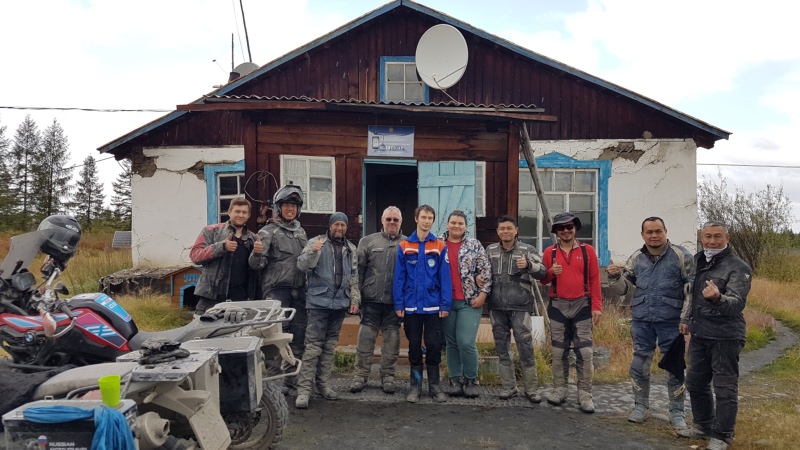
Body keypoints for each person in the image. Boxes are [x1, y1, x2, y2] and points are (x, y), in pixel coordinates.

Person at [606, 217, 695, 429]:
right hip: (642, 320)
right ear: (642, 235)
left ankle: (677, 411)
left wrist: (686, 319)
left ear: (666, 231)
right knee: (639, 364)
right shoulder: (636, 258)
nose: (654, 236)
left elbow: (691, 290)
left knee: (674, 367)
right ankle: (640, 406)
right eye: (649, 232)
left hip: (672, 321)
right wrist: (615, 277)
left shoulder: (681, 256)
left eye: (658, 231)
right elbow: (625, 289)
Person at [677, 221, 752, 450]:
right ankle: (702, 425)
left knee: (724, 387)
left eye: (717, 236)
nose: (712, 241)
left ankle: (722, 435)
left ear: (727, 238)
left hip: (726, 336)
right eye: (708, 236)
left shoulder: (738, 267)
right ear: (702, 236)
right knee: (695, 382)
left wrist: (718, 298)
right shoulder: (698, 261)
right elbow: (691, 295)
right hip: (701, 334)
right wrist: (686, 319)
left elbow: (736, 304)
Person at [294, 212, 360, 409]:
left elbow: (354, 276)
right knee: (313, 347)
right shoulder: (317, 243)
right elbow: (301, 265)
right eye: (336, 224)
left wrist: (354, 299)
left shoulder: (351, 249)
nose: (339, 228)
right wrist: (313, 252)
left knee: (329, 347)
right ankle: (304, 390)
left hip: (340, 304)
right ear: (330, 226)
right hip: (317, 303)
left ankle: (323, 385)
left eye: (343, 225)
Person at [540, 212, 602, 413]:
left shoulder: (588, 251)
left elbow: (595, 280)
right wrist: (551, 272)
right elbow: (543, 280)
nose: (566, 231)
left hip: (582, 305)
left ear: (575, 228)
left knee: (585, 352)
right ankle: (560, 390)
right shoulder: (550, 252)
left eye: (569, 227)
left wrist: (597, 307)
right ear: (556, 231)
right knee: (559, 352)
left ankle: (585, 394)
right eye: (561, 228)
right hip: (557, 306)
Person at [249, 184, 308, 393]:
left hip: (299, 292)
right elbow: (256, 266)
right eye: (286, 205)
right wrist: (256, 254)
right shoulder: (268, 232)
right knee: (275, 339)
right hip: (276, 293)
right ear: (279, 207)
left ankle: (292, 380)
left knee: (298, 337)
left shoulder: (301, 233)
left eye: (294, 206)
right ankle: (274, 383)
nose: (290, 209)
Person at [393, 204, 452, 403]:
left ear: (433, 221)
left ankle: (435, 387)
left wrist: (445, 305)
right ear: (416, 219)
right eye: (424, 217)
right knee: (415, 346)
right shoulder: (404, 246)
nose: (427, 221)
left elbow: (445, 277)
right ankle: (415, 386)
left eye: (430, 218)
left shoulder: (439, 245)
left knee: (435, 345)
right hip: (411, 307)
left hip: (434, 307)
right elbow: (399, 277)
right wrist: (399, 304)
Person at [485, 215, 547, 402]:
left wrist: (529, 265)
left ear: (516, 230)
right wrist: (480, 278)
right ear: (497, 231)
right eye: (502, 228)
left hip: (521, 308)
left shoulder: (527, 250)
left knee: (526, 348)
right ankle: (508, 387)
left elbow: (543, 271)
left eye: (509, 228)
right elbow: (482, 272)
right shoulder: (490, 250)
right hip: (496, 308)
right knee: (502, 349)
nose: (505, 231)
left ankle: (532, 390)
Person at [349, 206, 406, 395]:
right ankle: (360, 376)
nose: (391, 223)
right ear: (382, 220)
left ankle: (388, 376)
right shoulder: (367, 242)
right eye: (388, 219)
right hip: (371, 301)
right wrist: (357, 299)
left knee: (392, 342)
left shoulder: (407, 245)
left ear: (401, 222)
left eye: (395, 220)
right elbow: (357, 272)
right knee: (365, 341)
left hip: (394, 304)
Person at [441, 210, 492, 398]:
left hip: (470, 301)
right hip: (446, 302)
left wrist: (484, 293)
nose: (456, 226)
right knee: (451, 343)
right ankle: (454, 380)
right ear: (447, 224)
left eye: (460, 223)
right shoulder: (438, 244)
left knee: (465, 341)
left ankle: (471, 379)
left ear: (466, 226)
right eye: (453, 222)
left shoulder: (474, 245)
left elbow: (485, 270)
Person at [190, 197, 260, 315]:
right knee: (203, 332)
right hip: (211, 298)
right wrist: (221, 247)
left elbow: (257, 267)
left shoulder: (253, 239)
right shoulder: (211, 231)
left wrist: (258, 254)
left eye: (244, 212)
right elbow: (195, 256)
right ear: (229, 212)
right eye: (237, 211)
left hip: (240, 299)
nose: (241, 215)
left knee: (236, 333)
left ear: (248, 215)